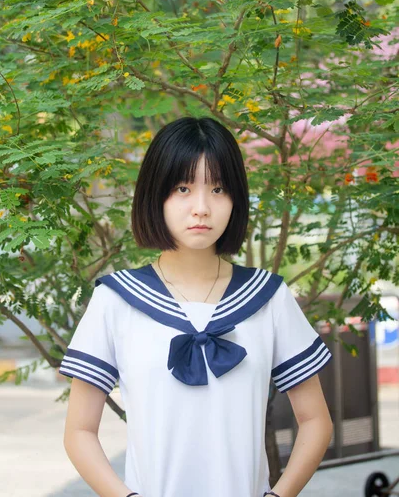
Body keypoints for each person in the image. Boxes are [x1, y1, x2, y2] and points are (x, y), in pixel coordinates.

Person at [59, 116, 334, 497]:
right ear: (155, 195)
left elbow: (316, 420)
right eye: (183, 188)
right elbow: (79, 431)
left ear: (236, 199)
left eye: (218, 188)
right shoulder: (116, 299)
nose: (202, 208)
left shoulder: (267, 297)